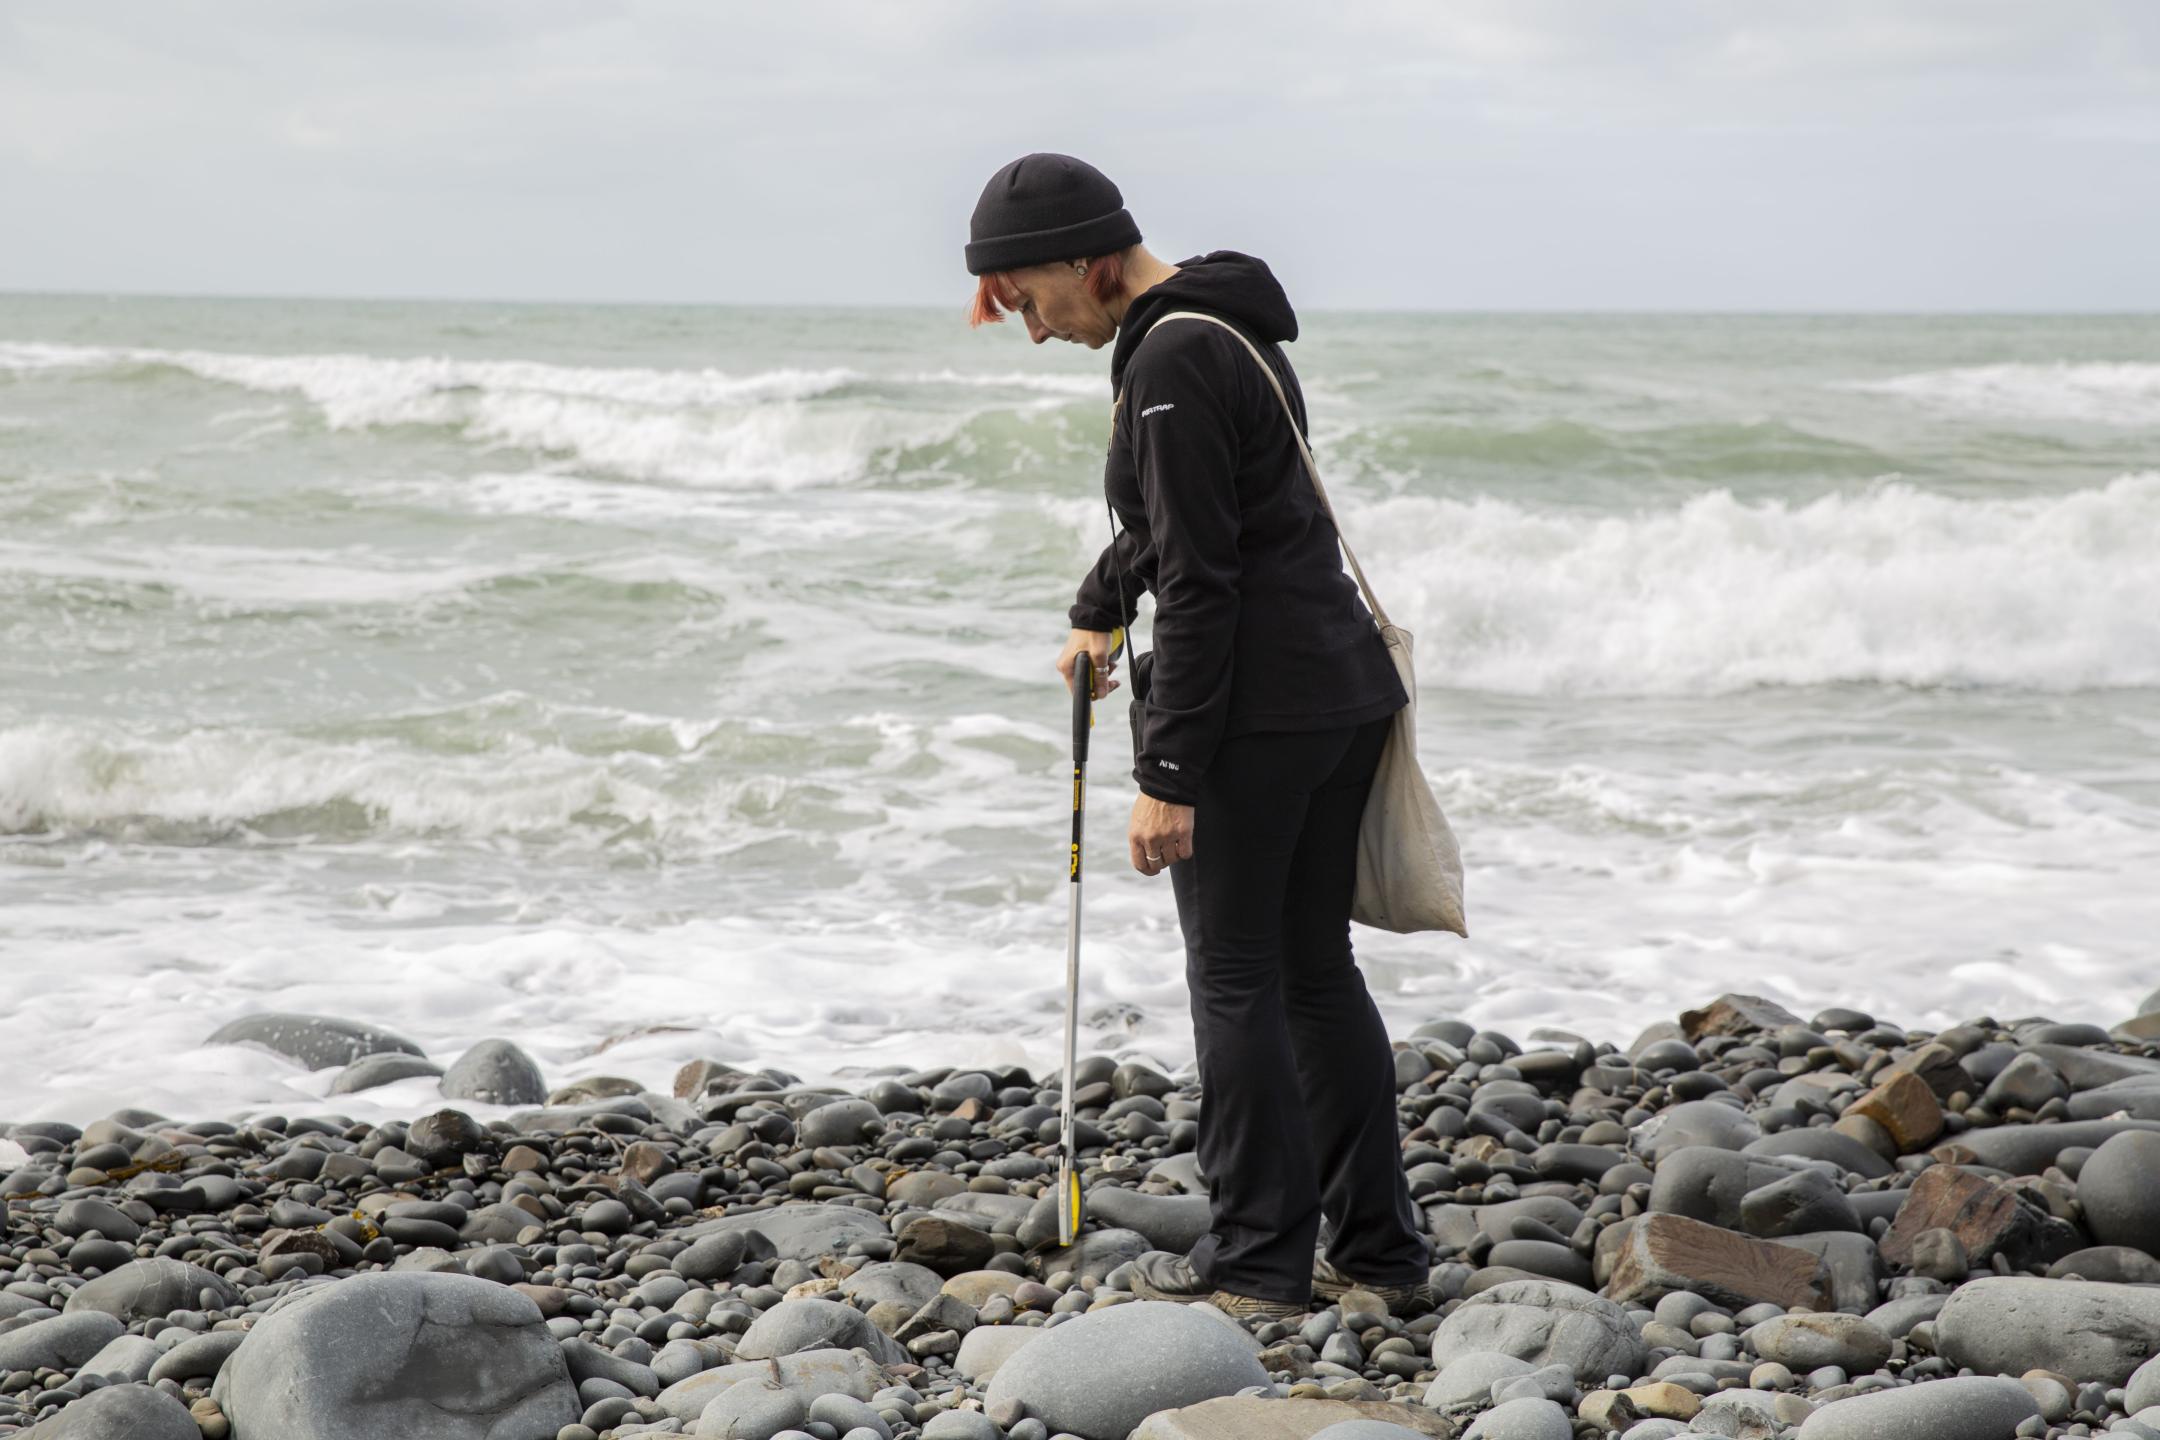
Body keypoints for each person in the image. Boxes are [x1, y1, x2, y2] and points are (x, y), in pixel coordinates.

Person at [963, 153, 1437, 1323]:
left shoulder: (1169, 358)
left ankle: (1255, 1264)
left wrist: (1166, 774)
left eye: (1027, 297)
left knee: (1236, 977)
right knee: (1315, 972)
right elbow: (1214, 521)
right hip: (1338, 690)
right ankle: (1376, 1252)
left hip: (1257, 714)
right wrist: (1097, 604)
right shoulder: (1224, 330)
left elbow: (1207, 578)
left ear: (1089, 259)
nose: (1030, 329)